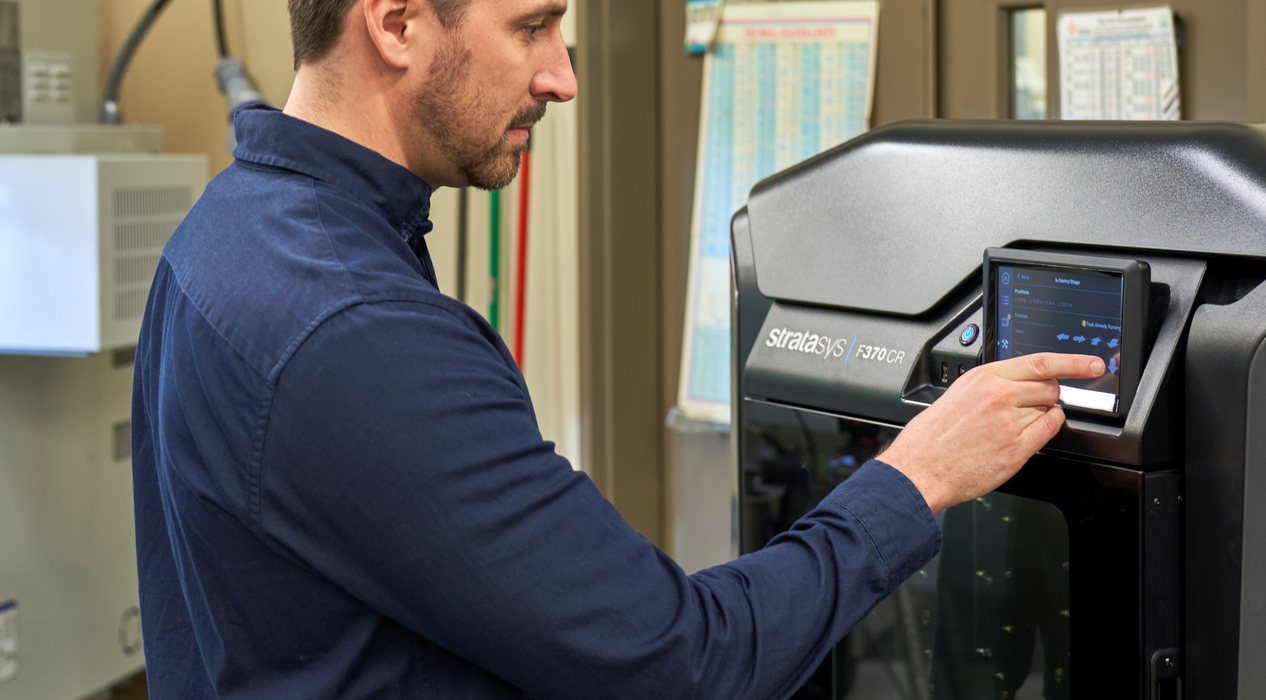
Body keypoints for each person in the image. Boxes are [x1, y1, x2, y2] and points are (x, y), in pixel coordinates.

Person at [129, 0, 1105, 697]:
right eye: (531, 27)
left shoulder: (225, 231)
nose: (562, 75)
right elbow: (687, 663)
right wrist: (918, 474)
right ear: (395, 24)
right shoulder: (358, 332)